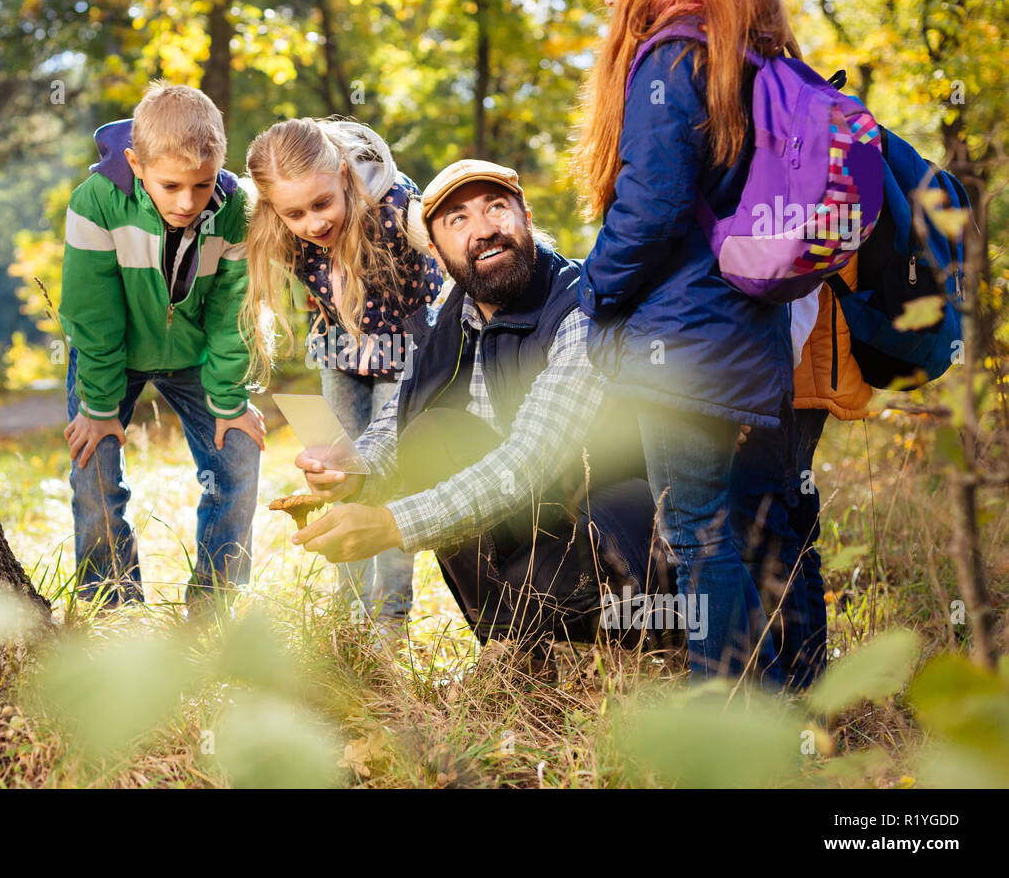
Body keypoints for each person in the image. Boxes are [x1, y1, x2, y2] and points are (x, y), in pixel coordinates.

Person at [290, 159, 663, 666]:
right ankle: (518, 648)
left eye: (496, 208)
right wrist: (353, 470)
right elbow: (399, 416)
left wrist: (393, 524)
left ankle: (606, 653)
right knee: (433, 432)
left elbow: (532, 461)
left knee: (598, 518)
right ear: (438, 254)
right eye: (457, 220)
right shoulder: (452, 315)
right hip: (532, 527)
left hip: (610, 534)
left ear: (525, 217)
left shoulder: (578, 308)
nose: (484, 229)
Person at [571, 0, 802, 682]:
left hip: (685, 337)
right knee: (743, 524)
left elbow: (653, 203)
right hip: (748, 332)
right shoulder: (751, 42)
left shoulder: (674, 50)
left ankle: (732, 712)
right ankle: (781, 696)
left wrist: (593, 288)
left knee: (697, 529)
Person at [59, 82, 263, 621]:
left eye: (201, 185)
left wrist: (228, 396)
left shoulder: (237, 207)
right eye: (170, 185)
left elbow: (233, 310)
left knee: (238, 454)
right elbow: (94, 314)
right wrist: (99, 409)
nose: (186, 202)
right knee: (96, 475)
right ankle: (113, 606)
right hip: (113, 356)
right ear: (136, 162)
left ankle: (215, 608)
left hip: (197, 357)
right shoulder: (96, 201)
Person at [242, 118, 442, 626]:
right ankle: (348, 617)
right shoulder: (276, 226)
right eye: (295, 213)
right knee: (339, 476)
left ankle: (389, 620)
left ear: (345, 179)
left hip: (407, 354)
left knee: (390, 475)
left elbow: (446, 250)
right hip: (339, 355)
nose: (312, 223)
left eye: (322, 204)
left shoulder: (397, 209)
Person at [731, 258, 872, 689]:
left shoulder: (797, 195)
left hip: (786, 369)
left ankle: (796, 687)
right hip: (797, 366)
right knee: (789, 526)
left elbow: (798, 280)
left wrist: (751, 384)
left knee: (770, 530)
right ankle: (809, 685)